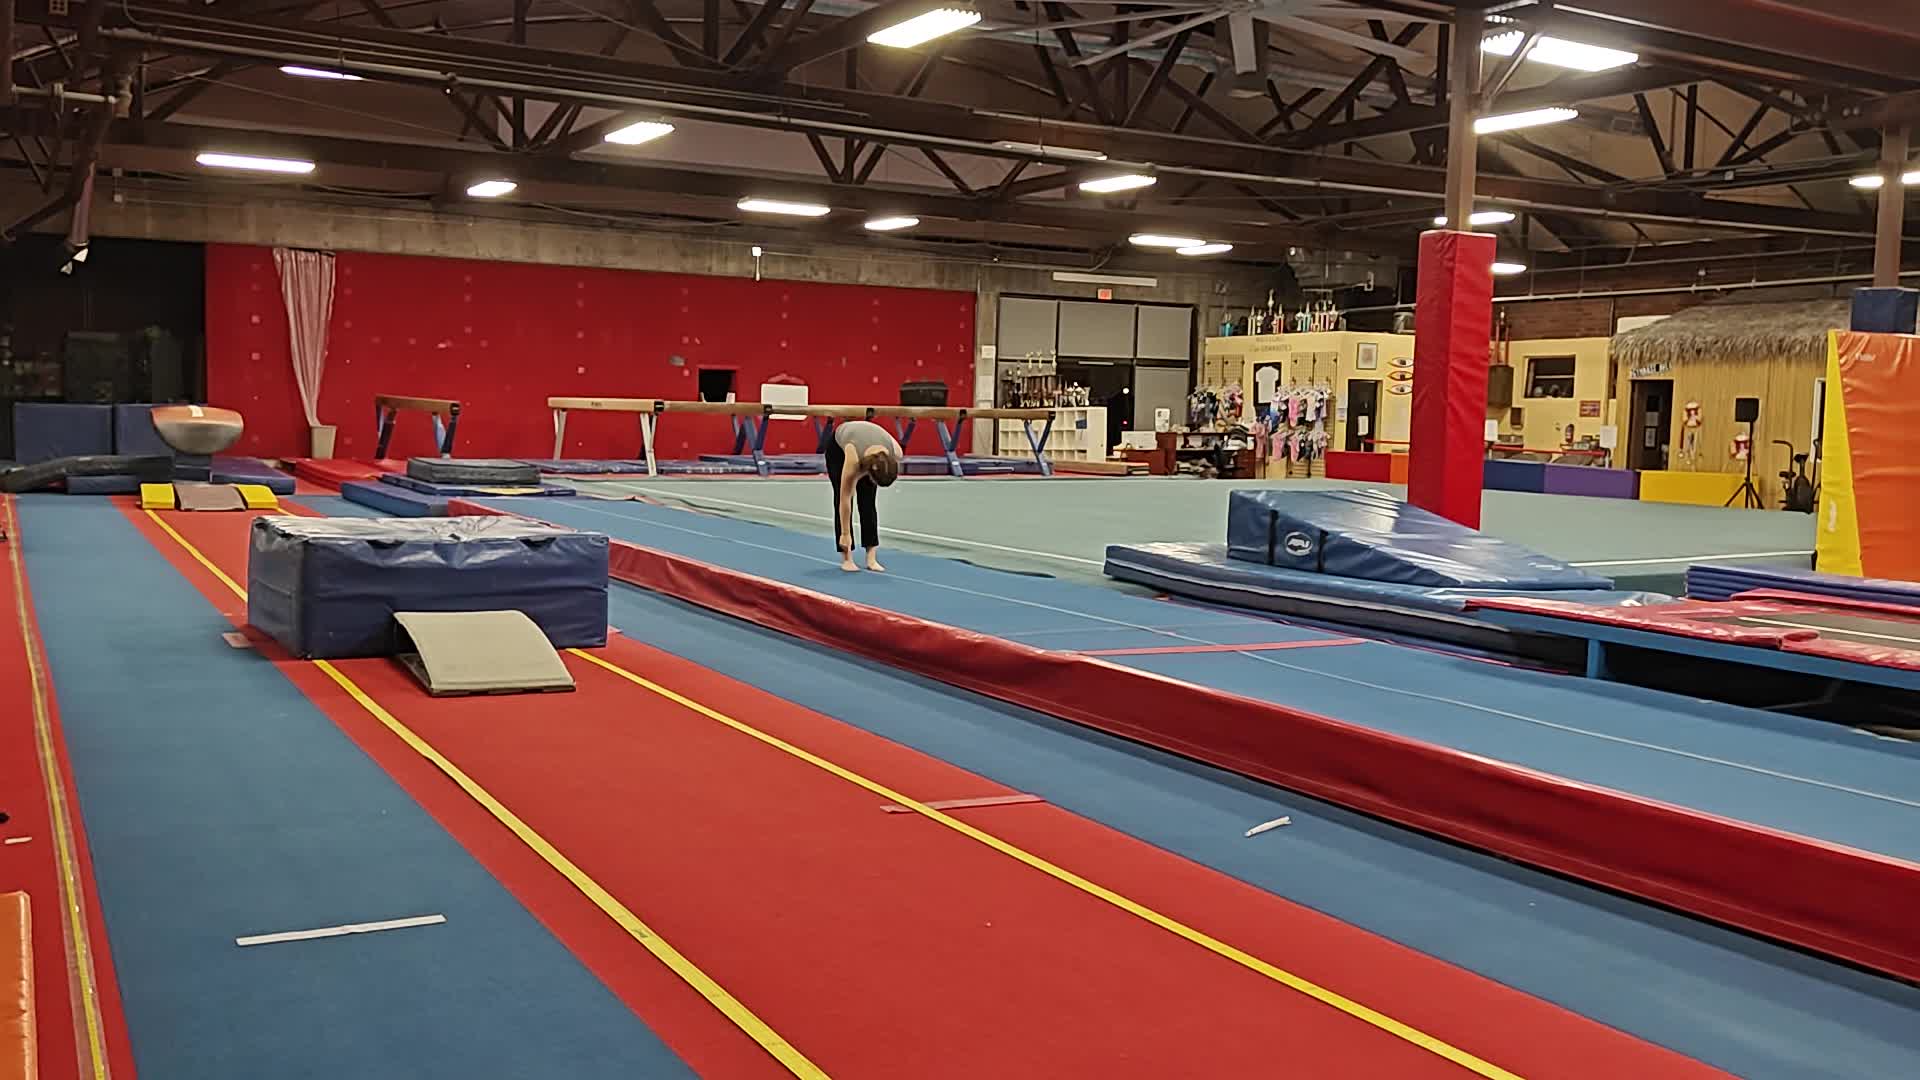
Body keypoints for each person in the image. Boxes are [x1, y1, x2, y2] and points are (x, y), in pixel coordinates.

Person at [824, 419, 902, 572]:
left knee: (868, 502)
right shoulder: (853, 457)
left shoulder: (895, 452)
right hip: (838, 450)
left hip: (869, 443)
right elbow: (845, 499)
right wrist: (845, 533)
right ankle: (847, 558)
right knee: (842, 496)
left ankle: (871, 558)